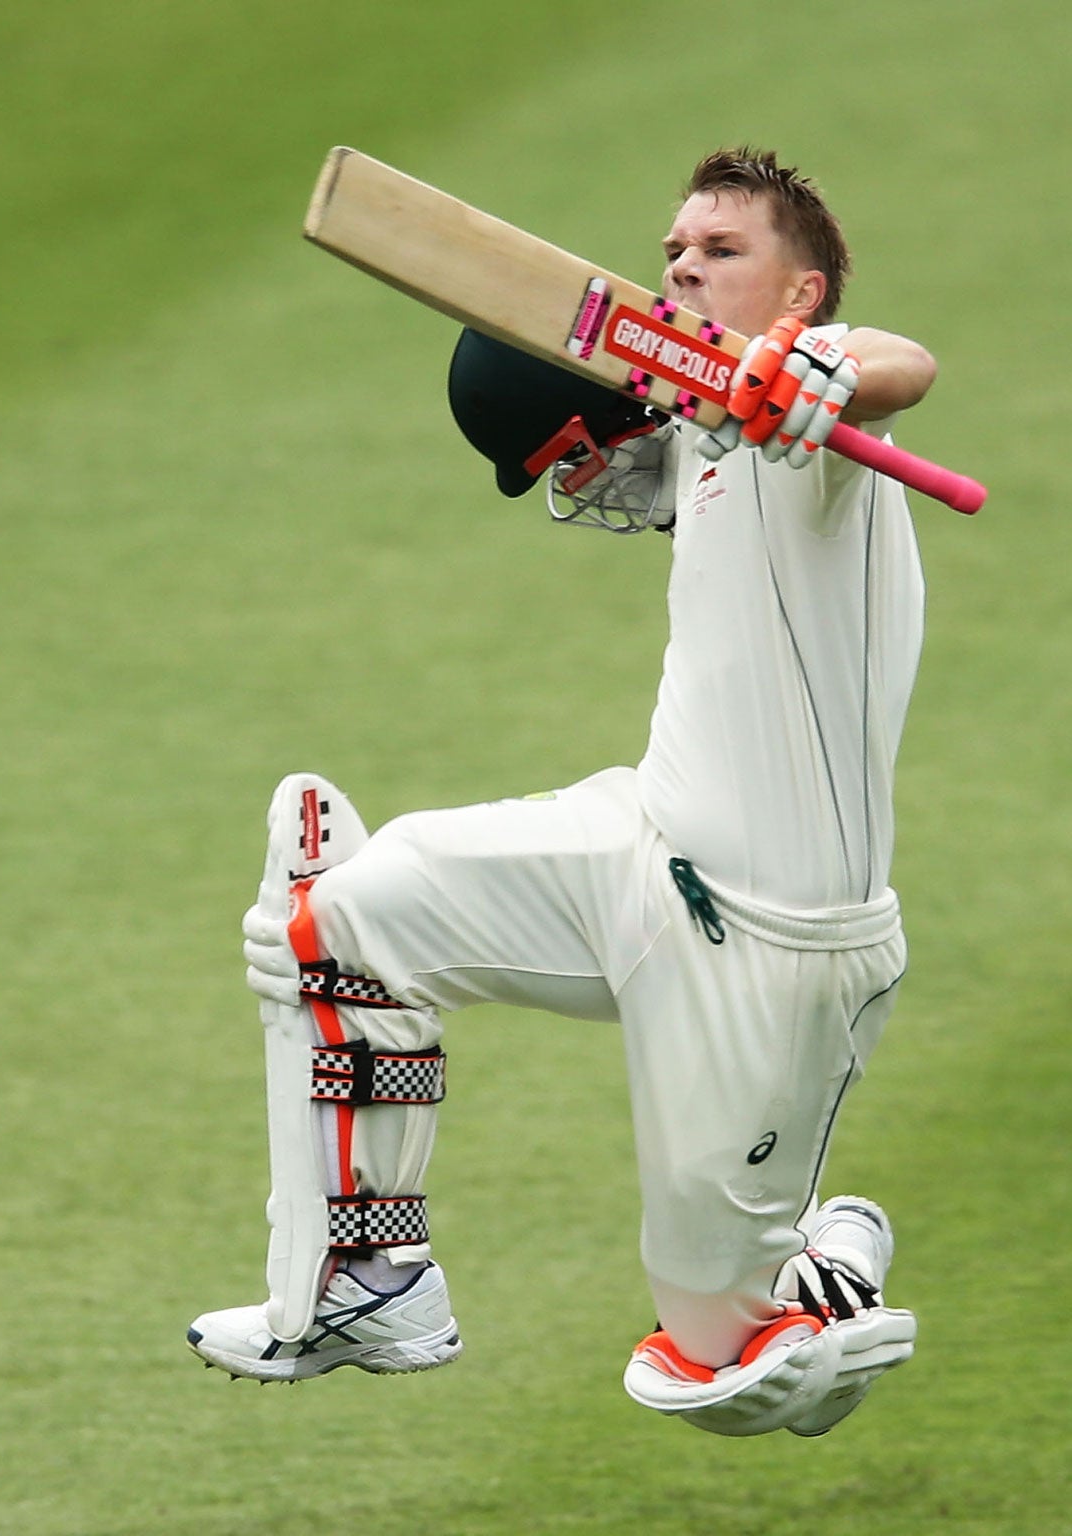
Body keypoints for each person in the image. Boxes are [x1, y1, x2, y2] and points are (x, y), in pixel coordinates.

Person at [188, 147, 937, 1438]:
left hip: (773, 946)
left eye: (721, 250)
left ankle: (824, 1265)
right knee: (341, 918)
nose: (683, 265)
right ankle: (376, 1282)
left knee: (728, 1379)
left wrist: (822, 380)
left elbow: (901, 367)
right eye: (672, 251)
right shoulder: (708, 432)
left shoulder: (821, 436)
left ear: (802, 293)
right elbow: (673, 446)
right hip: (641, 849)